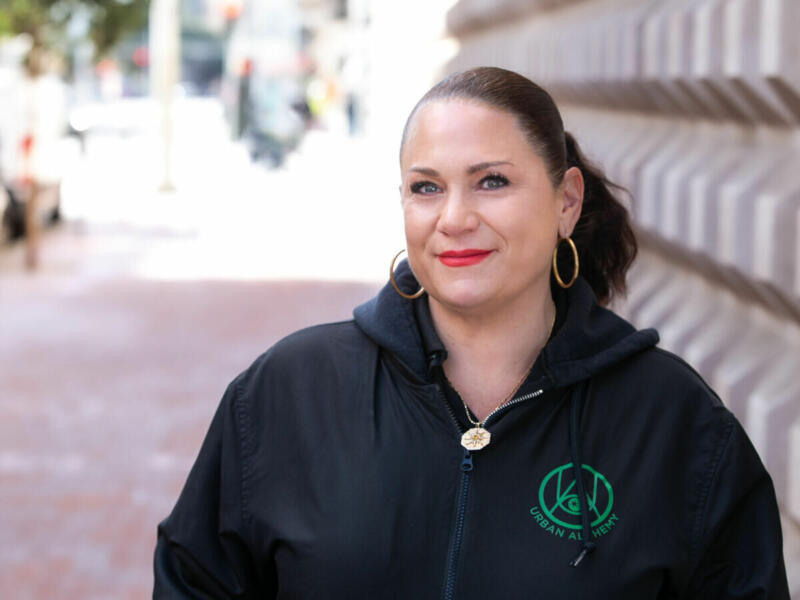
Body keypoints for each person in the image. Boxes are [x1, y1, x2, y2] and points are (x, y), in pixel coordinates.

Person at [154, 67, 790, 599]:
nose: (454, 218)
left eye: (492, 182)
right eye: (426, 188)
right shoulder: (289, 391)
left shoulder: (673, 420)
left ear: (566, 201)